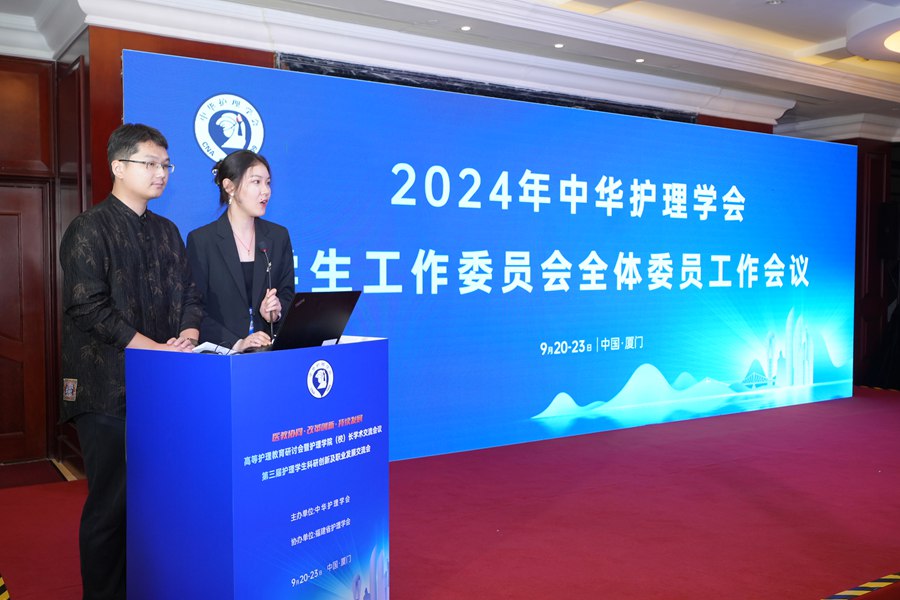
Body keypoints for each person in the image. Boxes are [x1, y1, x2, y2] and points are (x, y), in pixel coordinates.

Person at [59, 123, 202, 600]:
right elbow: (87, 306)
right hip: (106, 389)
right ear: (118, 167)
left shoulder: (167, 231)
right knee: (111, 506)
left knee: (155, 503)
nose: (162, 173)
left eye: (166, 165)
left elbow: (190, 295)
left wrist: (187, 335)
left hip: (161, 386)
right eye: (150, 164)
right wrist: (153, 347)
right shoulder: (89, 228)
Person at [186, 150, 294, 352]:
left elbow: (288, 295)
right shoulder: (202, 240)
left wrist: (276, 313)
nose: (266, 191)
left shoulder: (278, 237)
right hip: (221, 356)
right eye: (256, 182)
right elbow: (195, 309)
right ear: (229, 187)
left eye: (268, 183)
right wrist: (237, 343)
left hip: (268, 353)